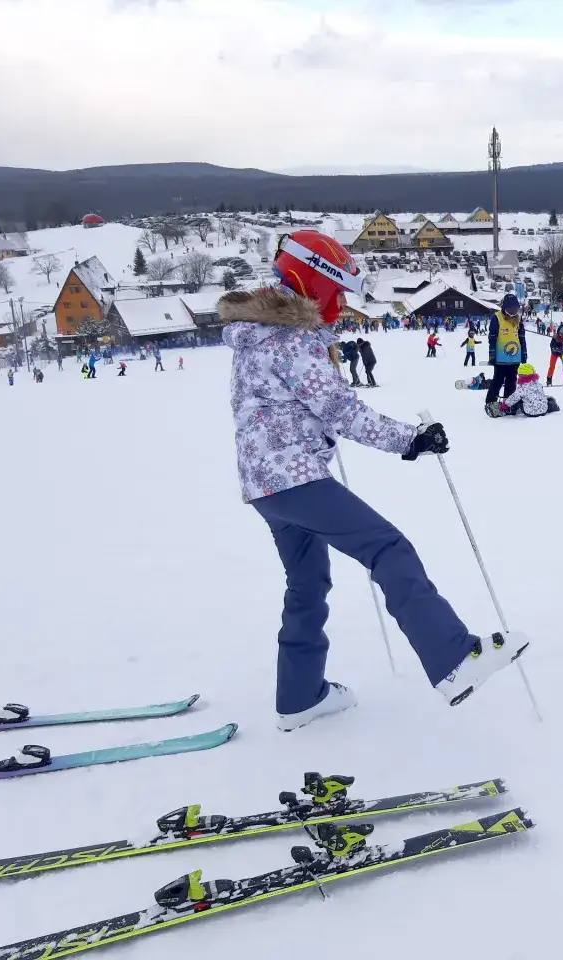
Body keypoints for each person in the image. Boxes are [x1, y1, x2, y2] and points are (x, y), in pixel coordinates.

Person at [219, 229, 529, 730]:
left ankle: (299, 697)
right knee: (388, 549)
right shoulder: (291, 341)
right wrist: (412, 439)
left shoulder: (256, 334)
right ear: (313, 281)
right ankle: (452, 657)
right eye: (336, 291)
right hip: (295, 478)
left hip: (264, 484)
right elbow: (343, 410)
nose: (340, 303)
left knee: (307, 581)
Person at [484, 293, 528, 407]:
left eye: (515, 309)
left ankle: (509, 402)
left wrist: (524, 353)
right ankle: (490, 402)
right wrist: (492, 355)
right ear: (504, 308)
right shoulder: (496, 318)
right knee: (497, 381)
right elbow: (492, 338)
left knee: (511, 381)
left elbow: (522, 337)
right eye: (510, 309)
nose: (513, 313)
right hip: (501, 358)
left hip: (515, 358)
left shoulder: (518, 319)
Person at [485, 363, 560, 418]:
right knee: (539, 398)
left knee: (518, 401)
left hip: (530, 413)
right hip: (544, 410)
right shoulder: (538, 385)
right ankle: (552, 406)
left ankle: (508, 411)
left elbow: (513, 398)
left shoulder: (522, 389)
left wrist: (504, 405)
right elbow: (539, 394)